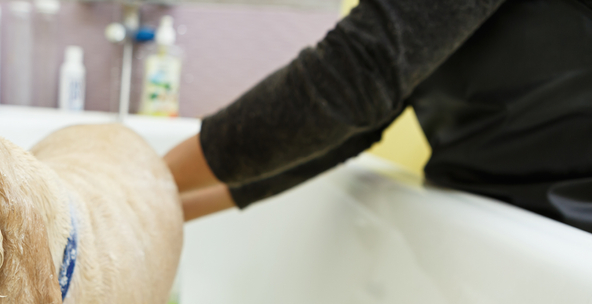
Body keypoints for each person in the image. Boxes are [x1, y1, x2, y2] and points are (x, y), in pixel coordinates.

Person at [165, 0, 592, 225]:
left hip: (564, 238)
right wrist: (173, 209)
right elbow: (355, 121)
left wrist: (139, 187)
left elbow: (355, 77)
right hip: (500, 222)